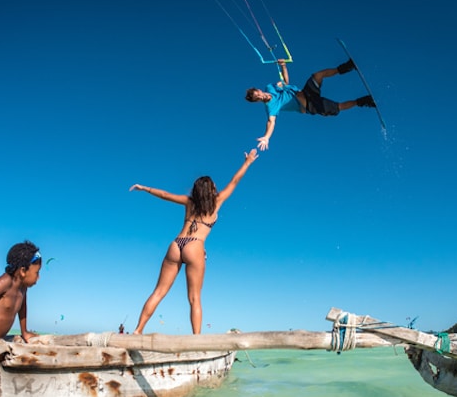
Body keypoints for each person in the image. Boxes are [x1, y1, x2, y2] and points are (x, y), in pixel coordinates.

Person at [130, 149, 259, 334]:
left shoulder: (189, 202)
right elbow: (235, 181)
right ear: (212, 189)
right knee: (194, 297)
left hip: (176, 244)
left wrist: (144, 188)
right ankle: (197, 339)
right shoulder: (217, 201)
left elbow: (165, 195)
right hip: (195, 246)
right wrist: (247, 163)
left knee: (158, 292)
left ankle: (138, 330)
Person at [245, 58, 376, 150]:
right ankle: (364, 101)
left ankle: (347, 67)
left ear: (259, 90)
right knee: (339, 106)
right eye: (259, 98)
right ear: (258, 101)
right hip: (308, 106)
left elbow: (285, 81)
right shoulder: (270, 107)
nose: (262, 96)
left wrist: (284, 66)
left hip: (307, 92)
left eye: (259, 93)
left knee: (318, 75)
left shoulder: (270, 87)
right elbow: (271, 122)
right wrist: (267, 137)